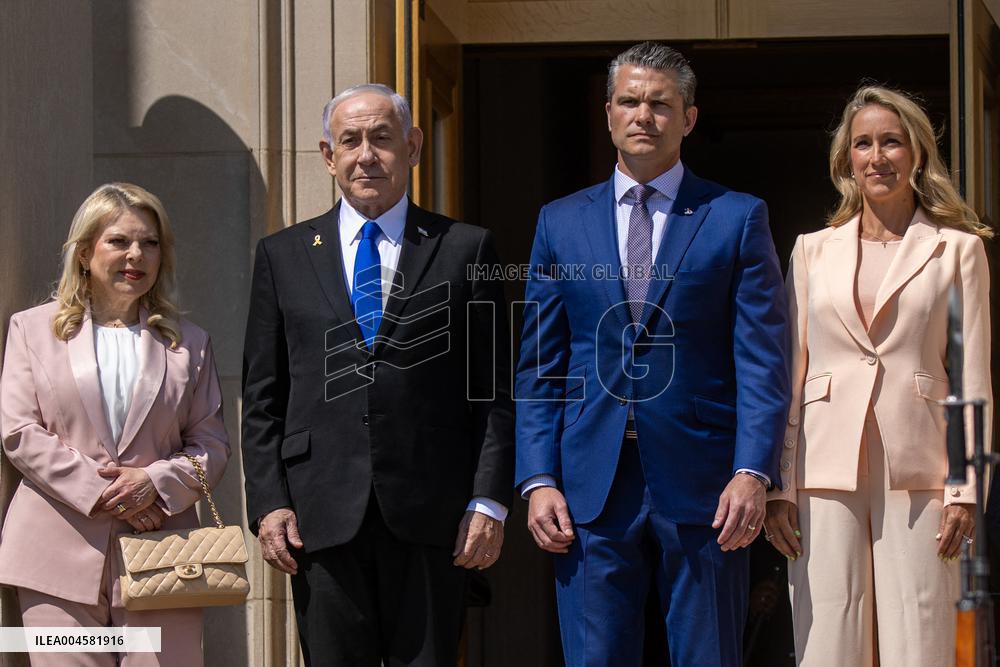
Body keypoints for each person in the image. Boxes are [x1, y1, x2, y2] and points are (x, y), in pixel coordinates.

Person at [515, 41, 790, 666]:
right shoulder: (559, 222)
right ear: (608, 112)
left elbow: (762, 360)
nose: (644, 115)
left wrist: (753, 471)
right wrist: (537, 478)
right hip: (590, 482)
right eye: (630, 101)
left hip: (707, 481)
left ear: (688, 118)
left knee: (709, 656)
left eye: (661, 104)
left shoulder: (736, 217)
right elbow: (540, 363)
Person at [241, 83, 513, 666]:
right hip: (318, 517)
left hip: (433, 514)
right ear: (327, 155)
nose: (367, 154)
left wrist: (488, 501)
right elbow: (262, 394)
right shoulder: (282, 255)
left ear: (413, 146)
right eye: (351, 140)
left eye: (382, 138)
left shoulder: (466, 248)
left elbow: (492, 392)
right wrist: (268, 502)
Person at [764, 85, 993, 666]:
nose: (877, 156)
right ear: (847, 161)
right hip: (823, 467)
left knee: (921, 636)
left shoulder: (957, 250)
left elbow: (971, 380)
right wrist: (779, 485)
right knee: (826, 639)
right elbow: (791, 373)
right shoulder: (811, 251)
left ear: (916, 154)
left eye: (891, 142)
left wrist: (966, 489)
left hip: (921, 469)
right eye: (863, 144)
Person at [0, 183, 231, 666]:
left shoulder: (191, 343)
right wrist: (107, 492)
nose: (136, 255)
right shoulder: (31, 330)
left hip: (165, 562)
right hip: (55, 558)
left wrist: (154, 483)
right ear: (85, 252)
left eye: (150, 243)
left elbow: (210, 443)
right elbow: (19, 431)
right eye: (119, 241)